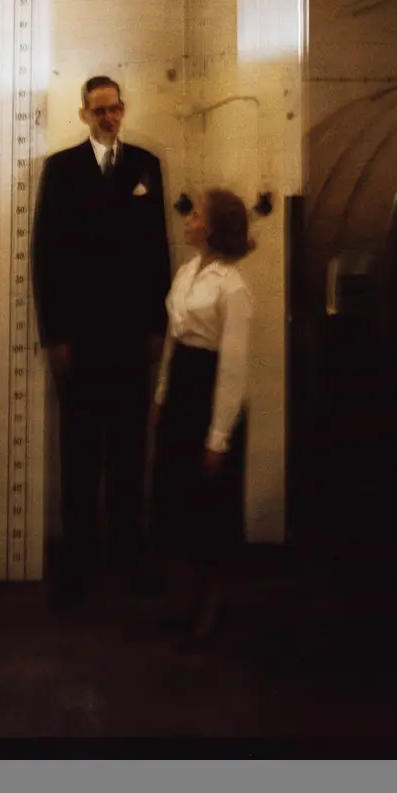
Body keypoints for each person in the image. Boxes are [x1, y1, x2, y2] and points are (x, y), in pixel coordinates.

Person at [31, 75, 172, 606]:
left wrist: (157, 327)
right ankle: (78, 560)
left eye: (115, 109)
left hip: (132, 333)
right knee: (80, 449)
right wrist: (56, 336)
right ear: (84, 114)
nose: (109, 117)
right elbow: (46, 255)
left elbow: (157, 249)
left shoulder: (145, 165)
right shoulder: (62, 168)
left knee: (130, 449)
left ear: (123, 109)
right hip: (82, 335)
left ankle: (128, 555)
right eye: (99, 111)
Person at [149, 188, 254, 644]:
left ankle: (212, 604)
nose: (188, 220)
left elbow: (233, 369)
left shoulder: (233, 286)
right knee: (181, 502)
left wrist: (218, 437)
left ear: (209, 227)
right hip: (182, 389)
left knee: (212, 507)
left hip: (210, 395)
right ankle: (192, 598)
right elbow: (174, 338)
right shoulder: (187, 272)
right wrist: (161, 393)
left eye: (195, 215)